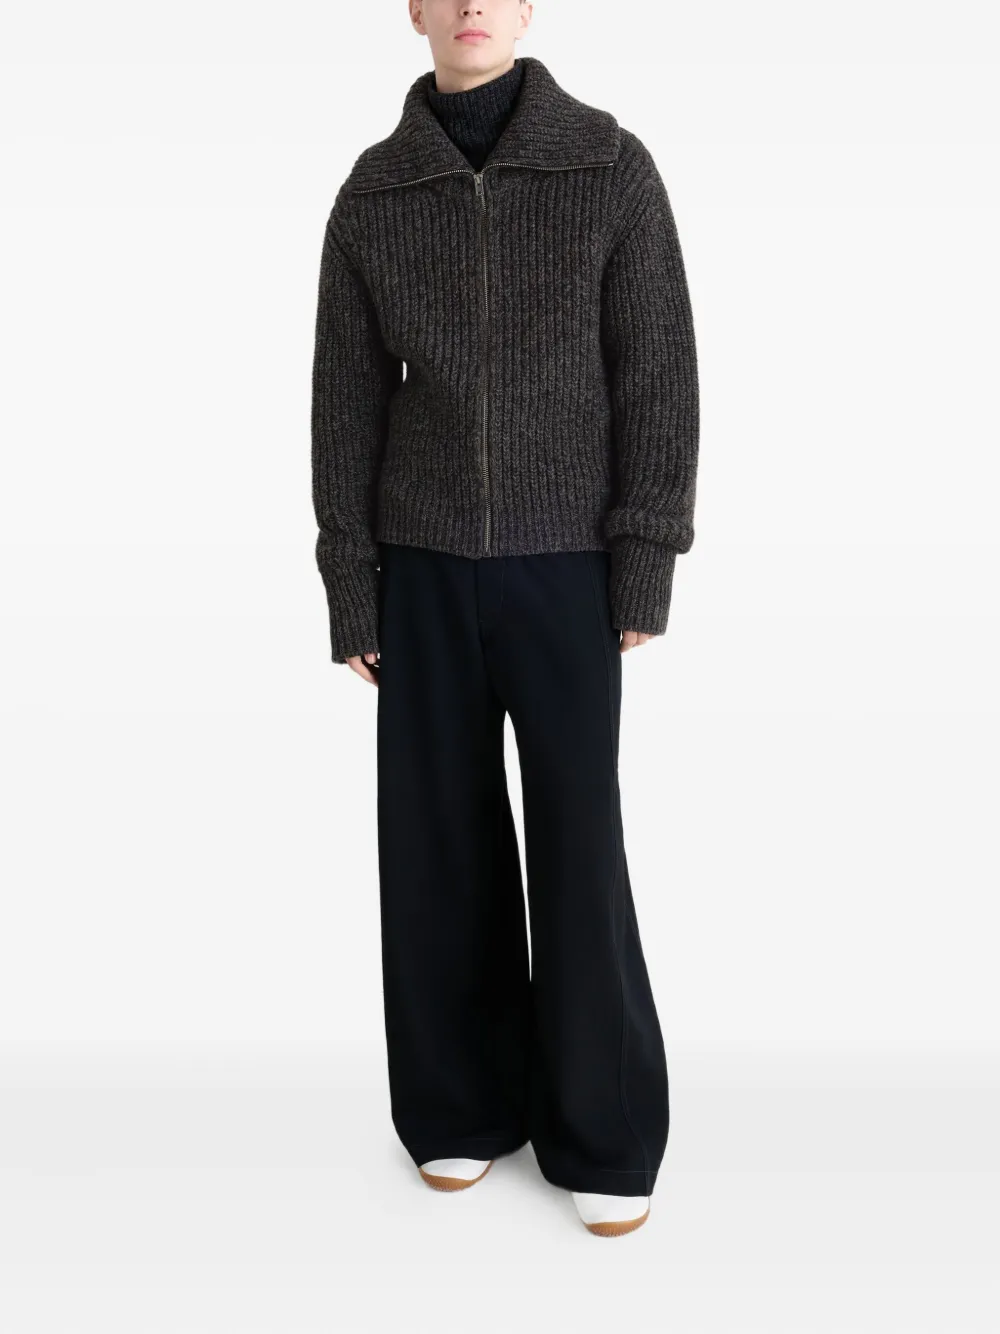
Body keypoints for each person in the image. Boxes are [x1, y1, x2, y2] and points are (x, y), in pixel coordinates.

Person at [311, 1, 699, 1237]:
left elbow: (656, 369)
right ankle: (458, 1104)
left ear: (526, 6)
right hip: (420, 567)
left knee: (579, 843)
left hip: (567, 566)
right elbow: (344, 400)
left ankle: (605, 1130)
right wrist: (351, 577)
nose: (473, 2)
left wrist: (642, 557)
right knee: (435, 840)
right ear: (416, 11)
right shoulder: (375, 193)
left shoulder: (608, 166)